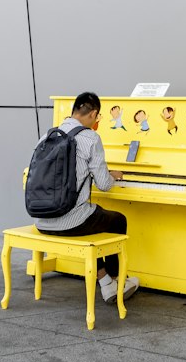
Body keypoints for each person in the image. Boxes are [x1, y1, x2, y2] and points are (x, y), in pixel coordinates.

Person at [34, 92, 139, 304]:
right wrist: (111, 174)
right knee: (117, 220)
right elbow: (104, 185)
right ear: (93, 114)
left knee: (96, 216)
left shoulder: (47, 136)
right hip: (71, 223)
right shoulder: (90, 138)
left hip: (42, 219)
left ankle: (104, 279)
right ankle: (117, 282)